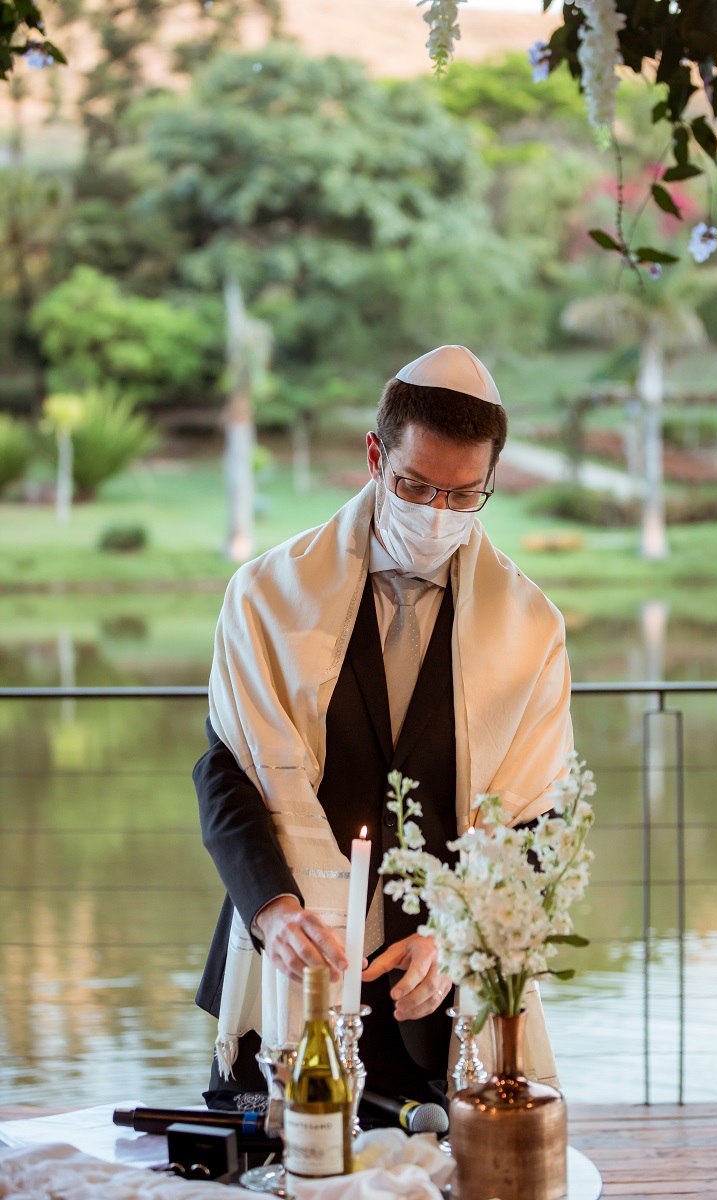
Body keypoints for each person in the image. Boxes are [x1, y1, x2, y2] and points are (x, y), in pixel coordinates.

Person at [193, 345, 573, 1106]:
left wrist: (457, 939)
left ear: (491, 481)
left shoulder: (532, 628)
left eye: (463, 495)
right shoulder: (265, 596)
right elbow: (227, 775)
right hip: (290, 968)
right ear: (375, 456)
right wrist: (274, 912)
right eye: (415, 485)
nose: (437, 513)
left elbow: (538, 824)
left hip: (438, 1000)